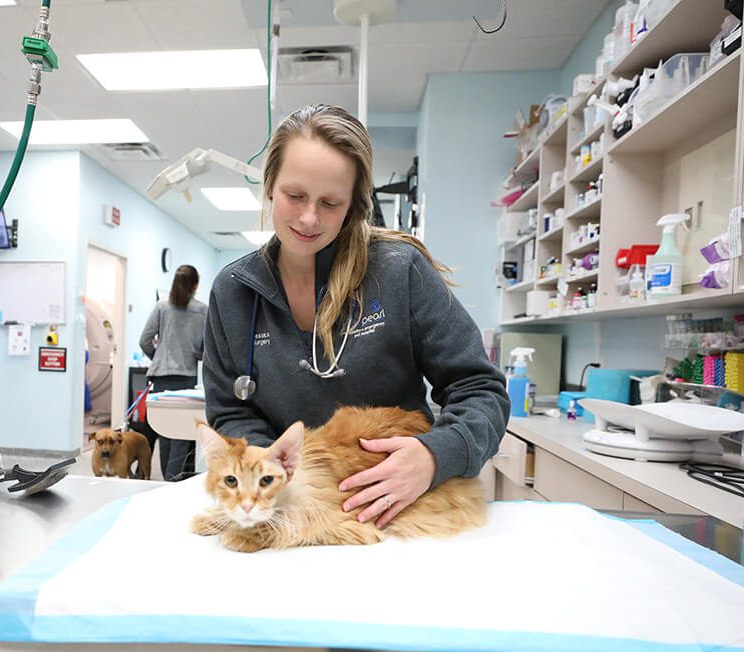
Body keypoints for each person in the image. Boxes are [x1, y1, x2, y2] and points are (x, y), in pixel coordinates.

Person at [203, 104, 510, 528]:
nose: (309, 218)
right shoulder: (233, 292)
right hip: (282, 509)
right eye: (295, 196)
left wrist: (436, 454)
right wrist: (277, 473)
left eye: (330, 203)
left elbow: (479, 389)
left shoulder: (399, 271)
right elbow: (229, 413)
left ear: (353, 207)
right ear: (270, 185)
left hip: (395, 508)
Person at [139, 265, 208, 481]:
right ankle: (172, 482)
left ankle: (166, 482)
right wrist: (196, 354)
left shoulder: (161, 307)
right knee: (181, 433)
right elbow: (207, 347)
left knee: (164, 429)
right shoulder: (203, 310)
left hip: (161, 378)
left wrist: (158, 357)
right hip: (187, 378)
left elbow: (144, 340)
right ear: (196, 285)